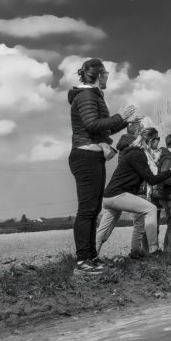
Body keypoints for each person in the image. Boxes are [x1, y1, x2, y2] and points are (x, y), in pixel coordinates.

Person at [68, 58, 140, 275]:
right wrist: (119, 116)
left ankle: (92, 258)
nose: (108, 76)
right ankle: (82, 262)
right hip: (85, 157)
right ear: (99, 75)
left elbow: (102, 130)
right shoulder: (87, 95)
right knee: (87, 211)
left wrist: (125, 122)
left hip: (92, 157)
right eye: (106, 72)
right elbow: (91, 124)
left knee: (93, 211)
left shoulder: (91, 95)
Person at [95, 127, 171, 258]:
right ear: (150, 140)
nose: (159, 142)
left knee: (104, 232)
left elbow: (148, 174)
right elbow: (152, 179)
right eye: (157, 139)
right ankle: (154, 250)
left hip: (110, 196)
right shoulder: (138, 154)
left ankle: (91, 256)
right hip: (118, 195)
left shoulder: (135, 153)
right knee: (151, 209)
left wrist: (156, 161)